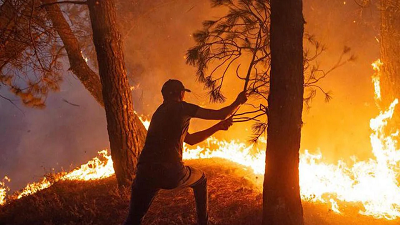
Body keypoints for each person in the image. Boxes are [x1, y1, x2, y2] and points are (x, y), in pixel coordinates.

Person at [124, 79, 247, 225]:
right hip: (171, 173)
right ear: (181, 93)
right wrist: (238, 101)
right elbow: (222, 114)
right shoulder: (183, 108)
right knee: (201, 179)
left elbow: (190, 139)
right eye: (183, 92)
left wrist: (218, 127)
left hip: (144, 172)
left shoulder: (158, 113)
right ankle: (203, 222)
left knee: (133, 220)